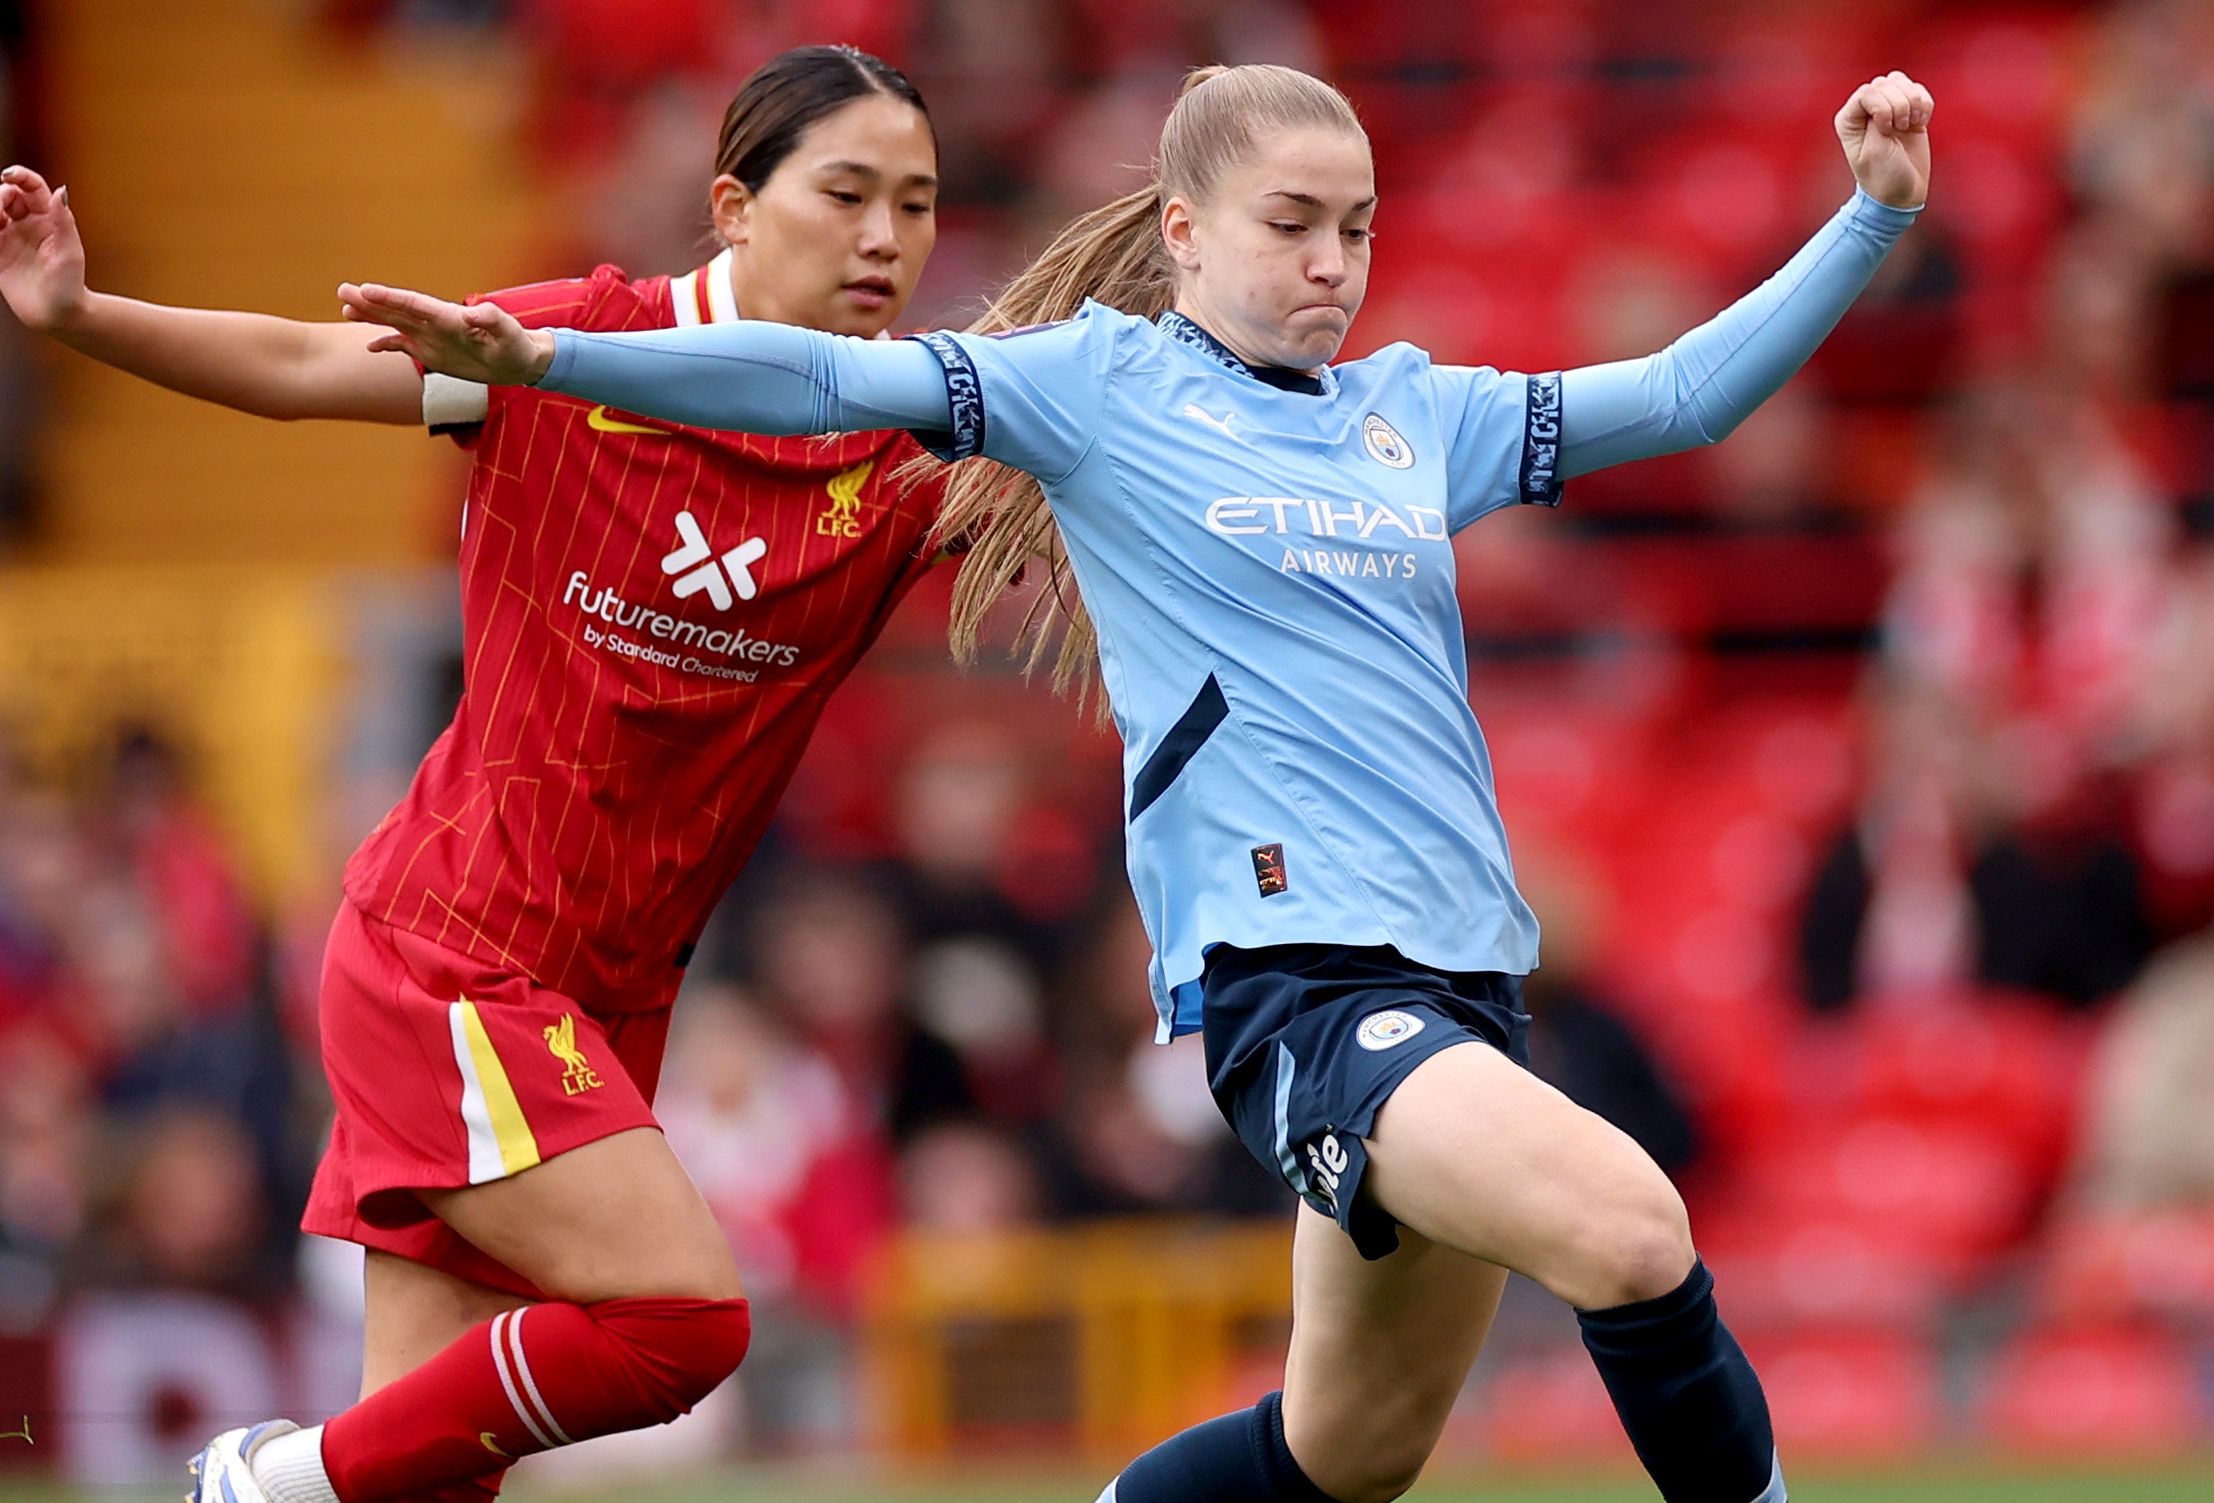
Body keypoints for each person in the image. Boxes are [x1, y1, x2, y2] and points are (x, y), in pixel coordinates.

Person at [349, 62, 1932, 1503]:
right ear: (1184, 231)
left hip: (1465, 989)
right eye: (1291, 224)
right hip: (1304, 991)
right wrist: (556, 360)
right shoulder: (1097, 385)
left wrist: (1870, 216)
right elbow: (825, 385)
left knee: (1346, 1457)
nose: (1331, 263)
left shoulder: (1415, 414)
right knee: (1634, 1231)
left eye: (1356, 229)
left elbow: (1686, 396)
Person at [0, 43, 949, 1503]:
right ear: (733, 206)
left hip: (610, 994)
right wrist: (73, 314)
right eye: (847, 192)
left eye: (919, 203)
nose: (885, 236)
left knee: (432, 1482)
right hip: (456, 956)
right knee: (683, 1319)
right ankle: (270, 1482)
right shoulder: (566, 353)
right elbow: (303, 368)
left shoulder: (915, 450)